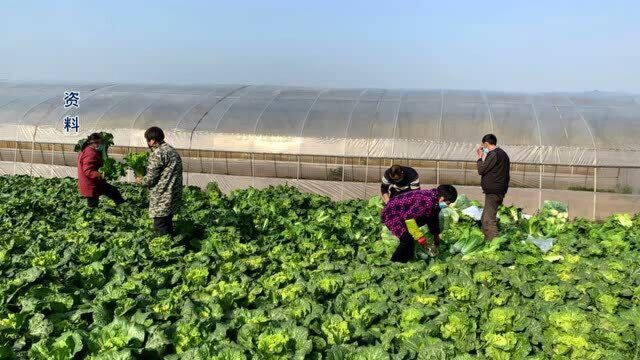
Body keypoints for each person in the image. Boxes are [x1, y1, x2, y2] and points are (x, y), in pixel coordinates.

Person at [381, 185, 458, 262]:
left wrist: (436, 236)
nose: (448, 206)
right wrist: (421, 239)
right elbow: (409, 218)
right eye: (448, 203)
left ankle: (408, 259)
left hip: (404, 213)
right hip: (392, 213)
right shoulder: (426, 200)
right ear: (442, 198)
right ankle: (394, 262)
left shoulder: (435, 202)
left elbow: (433, 218)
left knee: (411, 237)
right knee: (407, 239)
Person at [136, 127, 183, 236]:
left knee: (160, 225)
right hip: (173, 194)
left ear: (152, 140)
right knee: (168, 223)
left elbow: (151, 178)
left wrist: (141, 181)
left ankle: (163, 251)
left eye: (147, 140)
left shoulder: (157, 153)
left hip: (162, 196)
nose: (148, 143)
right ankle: (170, 247)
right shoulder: (172, 150)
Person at [476, 134, 510, 241]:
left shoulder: (494, 154)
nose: (483, 148)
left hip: (494, 191)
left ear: (486, 143)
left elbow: (481, 170)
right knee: (484, 218)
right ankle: (486, 241)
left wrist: (480, 157)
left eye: (483, 145)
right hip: (498, 189)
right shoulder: (503, 154)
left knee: (488, 219)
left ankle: (494, 244)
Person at [77, 133, 125, 208]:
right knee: (93, 203)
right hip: (91, 184)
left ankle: (123, 206)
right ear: (91, 143)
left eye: (100, 142)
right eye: (97, 143)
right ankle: (123, 206)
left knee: (113, 192)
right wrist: (100, 174)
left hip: (95, 182)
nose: (99, 144)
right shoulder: (90, 153)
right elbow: (88, 170)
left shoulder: (88, 150)